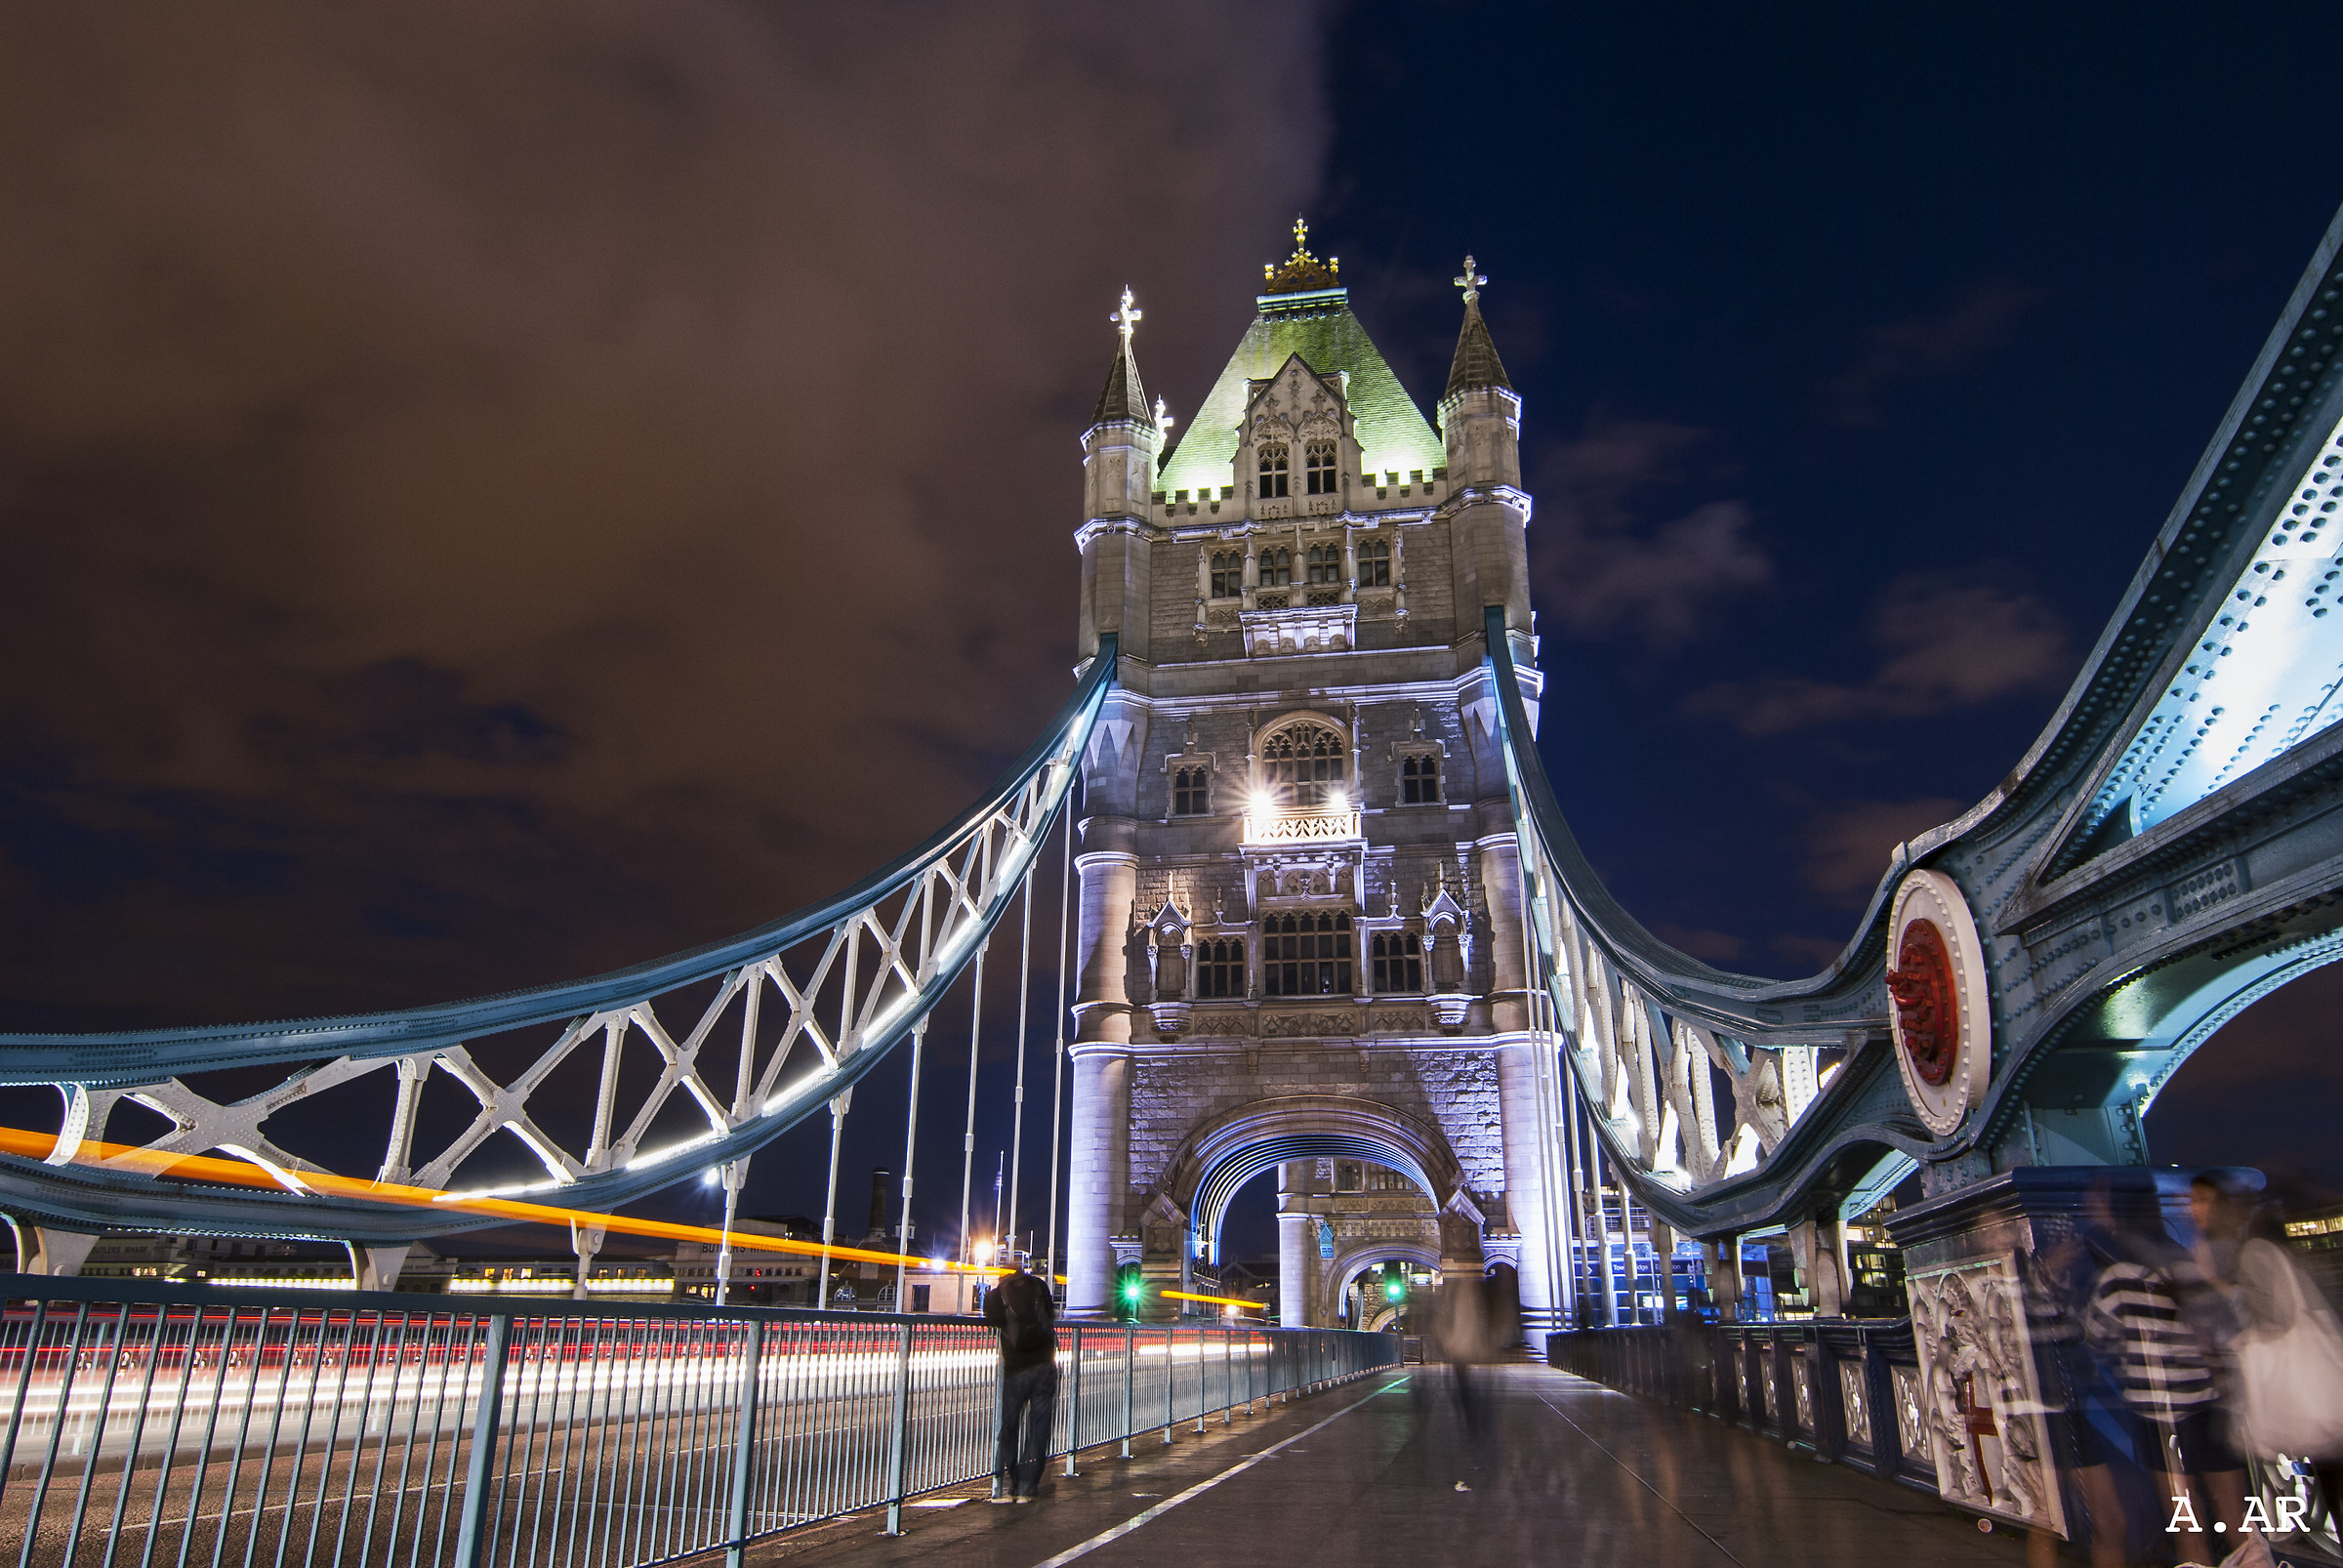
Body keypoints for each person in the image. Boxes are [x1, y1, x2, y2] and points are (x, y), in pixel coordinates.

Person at [981, 1254, 1058, 1503]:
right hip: (1045, 1364)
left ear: (1002, 1274)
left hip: (1016, 1367)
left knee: (1009, 1426)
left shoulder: (996, 1295)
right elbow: (1050, 1313)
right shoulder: (1039, 1286)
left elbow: (992, 1320)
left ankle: (1012, 1479)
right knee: (1039, 1429)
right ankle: (1028, 1485)